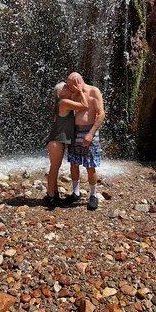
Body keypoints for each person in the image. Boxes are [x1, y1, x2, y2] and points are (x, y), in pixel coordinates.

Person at [65, 72, 105, 210]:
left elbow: (101, 114)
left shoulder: (94, 91)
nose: (69, 88)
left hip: (89, 131)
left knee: (90, 165)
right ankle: (75, 193)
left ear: (78, 82)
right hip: (75, 132)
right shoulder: (73, 94)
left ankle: (93, 195)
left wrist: (91, 133)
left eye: (71, 86)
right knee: (74, 163)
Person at [46, 81, 88, 208]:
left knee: (55, 168)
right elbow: (85, 105)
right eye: (66, 87)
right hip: (56, 142)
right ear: (60, 93)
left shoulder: (63, 103)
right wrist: (80, 90)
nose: (69, 88)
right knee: (54, 169)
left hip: (57, 141)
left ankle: (54, 193)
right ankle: (50, 196)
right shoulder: (64, 102)